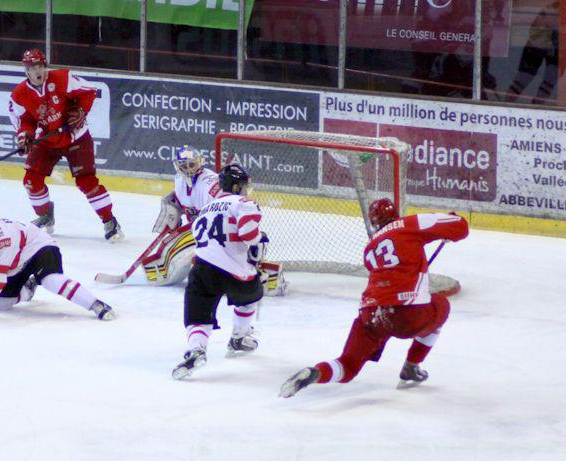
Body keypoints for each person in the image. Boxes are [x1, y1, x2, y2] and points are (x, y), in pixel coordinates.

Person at [279, 199, 468, 397]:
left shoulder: (370, 248)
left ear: (373, 222)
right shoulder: (411, 223)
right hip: (407, 314)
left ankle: (316, 373)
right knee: (441, 304)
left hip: (370, 313)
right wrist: (448, 224)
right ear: (396, 213)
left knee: (347, 366)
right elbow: (461, 227)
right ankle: (412, 365)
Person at [0, 195, 116, 321]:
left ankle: (95, 305)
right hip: (15, 265)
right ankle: (29, 287)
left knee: (51, 280)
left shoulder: (1, 234)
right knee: (1, 304)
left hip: (39, 248)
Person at [8, 48, 123, 242]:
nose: (37, 71)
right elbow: (24, 119)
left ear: (45, 66)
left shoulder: (63, 78)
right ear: (25, 70)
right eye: (32, 67)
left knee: (86, 181)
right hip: (47, 140)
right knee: (31, 180)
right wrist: (25, 136)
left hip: (75, 137)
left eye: (40, 66)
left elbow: (89, 92)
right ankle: (46, 215)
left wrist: (79, 111)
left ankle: (109, 220)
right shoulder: (19, 94)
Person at [144, 145, 286, 296]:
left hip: (213, 234)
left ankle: (254, 271)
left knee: (244, 245)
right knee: (166, 271)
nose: (188, 169)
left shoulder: (210, 182)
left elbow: (227, 211)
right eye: (184, 165)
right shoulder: (179, 179)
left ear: (200, 162)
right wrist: (175, 206)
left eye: (192, 164)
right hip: (200, 232)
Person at [172, 164, 269, 380]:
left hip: (201, 268)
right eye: (243, 186)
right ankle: (239, 337)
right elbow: (248, 233)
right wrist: (259, 242)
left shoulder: (207, 208)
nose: (246, 190)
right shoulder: (244, 203)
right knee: (251, 296)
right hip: (234, 271)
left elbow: (197, 233)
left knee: (198, 315)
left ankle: (197, 349)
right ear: (236, 187)